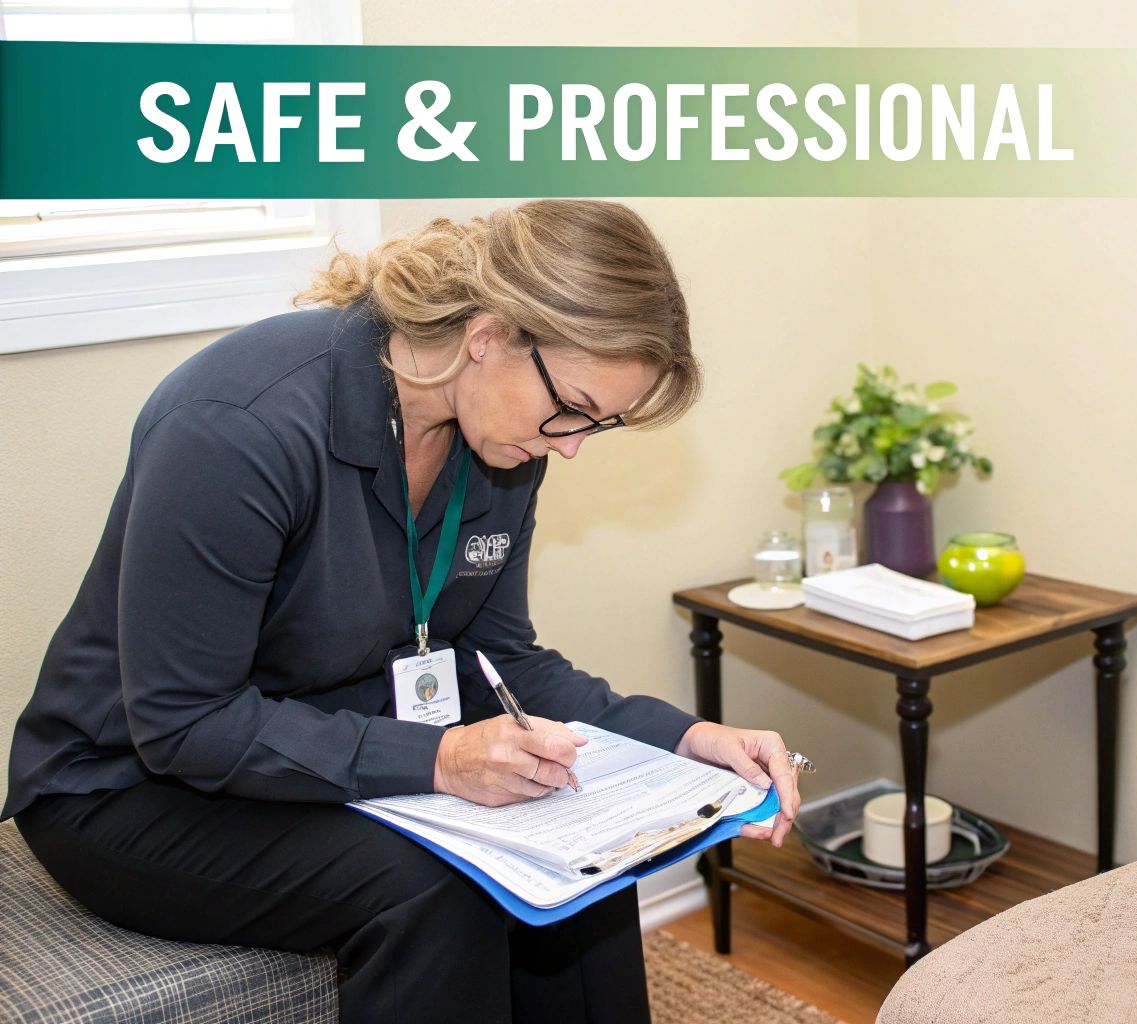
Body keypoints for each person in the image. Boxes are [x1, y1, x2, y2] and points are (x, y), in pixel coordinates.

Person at [2, 199, 803, 1023]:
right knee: (431, 891)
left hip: (328, 742)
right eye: (574, 409)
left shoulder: (504, 441)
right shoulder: (240, 426)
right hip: (126, 786)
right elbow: (182, 723)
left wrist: (685, 737)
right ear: (488, 336)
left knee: (583, 857)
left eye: (599, 424)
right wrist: (442, 762)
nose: (571, 445)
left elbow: (500, 662)